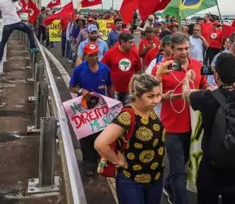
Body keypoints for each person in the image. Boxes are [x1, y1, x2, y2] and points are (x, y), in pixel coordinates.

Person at [181, 53, 235, 204]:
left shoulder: (207, 98)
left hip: (211, 166)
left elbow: (186, 94)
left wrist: (186, 79)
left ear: (216, 75)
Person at [152, 32, 210, 204]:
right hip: (172, 128)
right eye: (180, 49)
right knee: (179, 171)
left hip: (194, 128)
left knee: (184, 163)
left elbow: (204, 85)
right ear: (171, 49)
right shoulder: (162, 68)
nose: (184, 52)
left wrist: (211, 89)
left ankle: (168, 185)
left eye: (187, 48)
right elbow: (154, 96)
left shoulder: (198, 65)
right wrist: (173, 96)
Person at [94, 74, 165, 204]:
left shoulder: (150, 110)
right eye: (150, 96)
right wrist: (117, 161)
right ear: (136, 96)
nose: (156, 100)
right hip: (131, 181)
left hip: (155, 179)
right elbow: (100, 144)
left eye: (158, 95)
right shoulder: (127, 115)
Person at [69, 42, 113, 175]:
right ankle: (88, 164)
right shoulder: (80, 70)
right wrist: (81, 90)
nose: (94, 58)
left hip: (100, 109)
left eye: (96, 55)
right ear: (85, 56)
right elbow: (71, 87)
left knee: (101, 135)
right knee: (86, 138)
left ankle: (100, 160)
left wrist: (112, 102)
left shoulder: (105, 69)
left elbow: (110, 86)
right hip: (85, 109)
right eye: (91, 55)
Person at [0, 0, 37, 65]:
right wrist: (16, 0)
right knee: (29, 31)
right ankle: (32, 48)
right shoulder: (13, 2)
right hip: (17, 22)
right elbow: (20, 9)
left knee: (3, 41)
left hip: (7, 25)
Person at [102, 32, 142, 106]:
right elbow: (102, 69)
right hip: (113, 90)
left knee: (127, 113)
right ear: (123, 42)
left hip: (129, 90)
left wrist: (135, 86)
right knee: (114, 112)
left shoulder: (135, 53)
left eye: (133, 42)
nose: (132, 44)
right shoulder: (110, 53)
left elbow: (138, 71)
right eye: (130, 42)